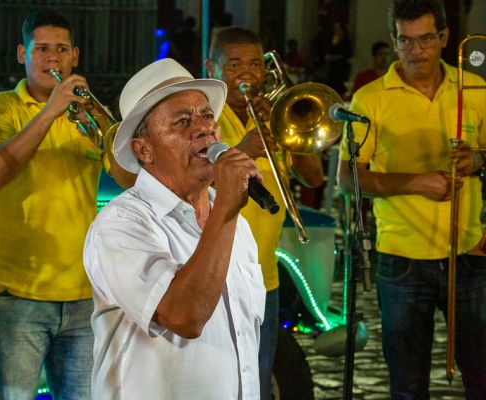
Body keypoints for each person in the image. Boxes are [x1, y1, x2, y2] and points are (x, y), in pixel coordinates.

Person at [83, 57, 265, 399]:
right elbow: (184, 316)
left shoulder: (234, 223)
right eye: (183, 122)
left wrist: (224, 209)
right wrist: (226, 207)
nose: (204, 129)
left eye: (207, 116)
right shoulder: (121, 224)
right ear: (144, 150)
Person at [337, 0, 486, 398]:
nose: (415, 51)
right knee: (407, 384)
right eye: (405, 41)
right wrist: (416, 182)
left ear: (444, 37)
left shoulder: (474, 88)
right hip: (401, 258)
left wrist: (476, 159)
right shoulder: (370, 98)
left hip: (468, 251)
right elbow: (348, 180)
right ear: (393, 40)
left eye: (425, 40)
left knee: (481, 374)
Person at [0, 9, 103, 399]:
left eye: (61, 49)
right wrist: (52, 111)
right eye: (41, 48)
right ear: (21, 54)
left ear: (75, 56)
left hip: (83, 296)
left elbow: (132, 176)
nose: (52, 58)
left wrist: (96, 126)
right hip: (15, 298)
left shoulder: (90, 112)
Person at [206, 26, 324, 400]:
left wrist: (290, 128)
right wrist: (245, 146)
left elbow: (314, 177)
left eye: (255, 64)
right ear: (212, 68)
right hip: (215, 276)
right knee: (214, 382)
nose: (247, 74)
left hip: (264, 276)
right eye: (235, 64)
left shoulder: (274, 113)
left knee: (255, 381)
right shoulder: (202, 115)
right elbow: (190, 186)